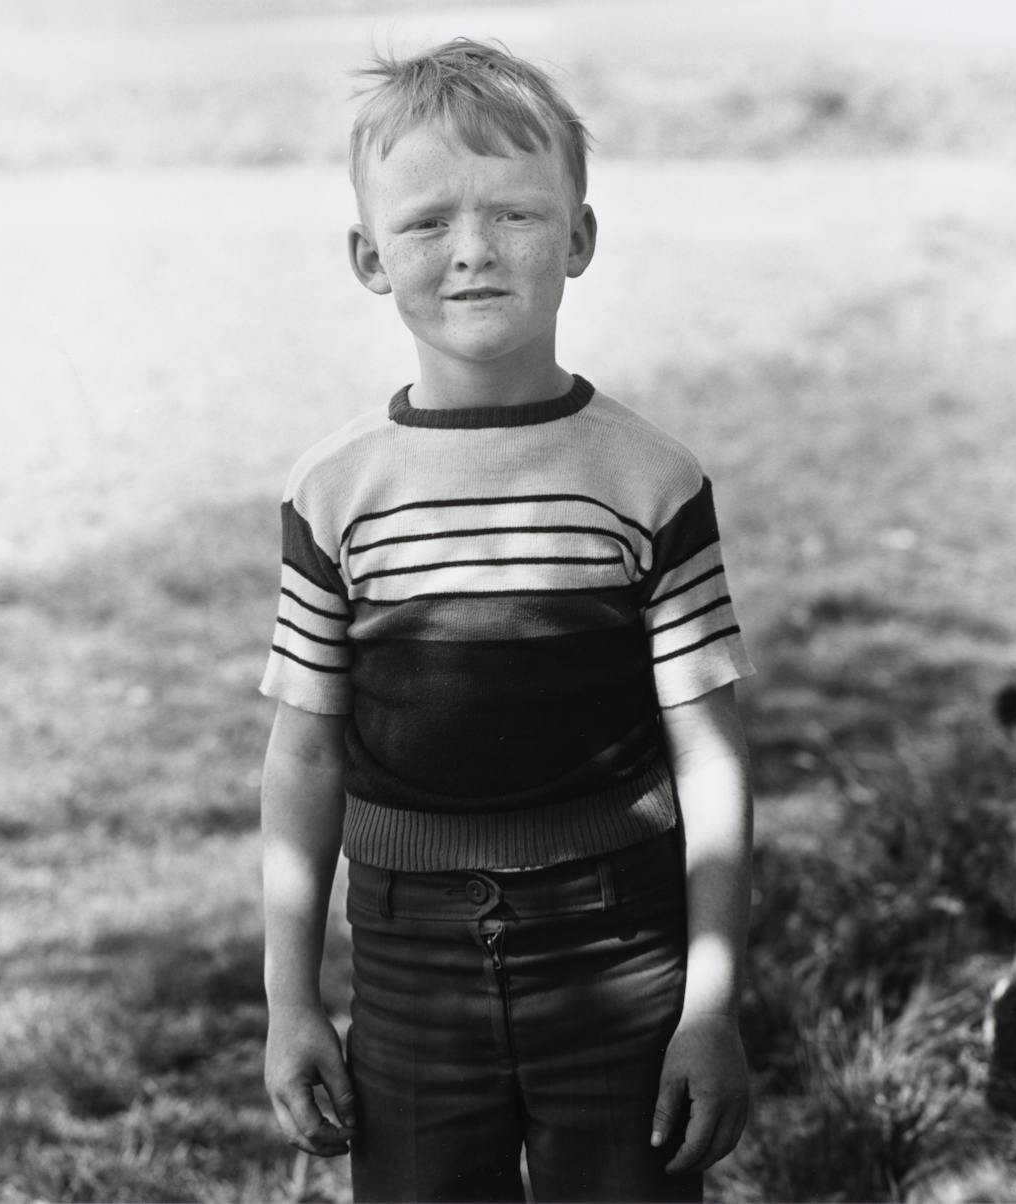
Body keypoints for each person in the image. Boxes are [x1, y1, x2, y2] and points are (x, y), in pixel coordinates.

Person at [259, 37, 755, 1203]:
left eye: (516, 215)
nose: (474, 249)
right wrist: (290, 1000)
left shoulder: (651, 480)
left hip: (620, 951)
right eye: (428, 222)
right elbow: (305, 753)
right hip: (407, 961)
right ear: (369, 257)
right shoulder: (333, 493)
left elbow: (712, 756)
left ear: (579, 238)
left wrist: (712, 1005)